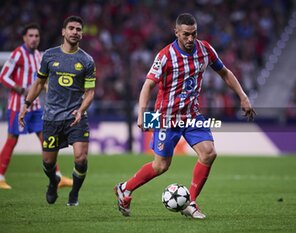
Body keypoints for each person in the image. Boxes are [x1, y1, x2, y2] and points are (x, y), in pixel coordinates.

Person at [114, 13, 255, 219]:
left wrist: (243, 97)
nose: (190, 39)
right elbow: (148, 85)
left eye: (194, 34)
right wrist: (142, 113)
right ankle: (125, 188)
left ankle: (192, 204)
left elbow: (225, 72)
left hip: (191, 115)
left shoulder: (205, 49)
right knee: (161, 166)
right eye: (186, 35)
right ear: (177, 32)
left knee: (209, 153)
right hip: (167, 117)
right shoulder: (165, 56)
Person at [19, 16, 96, 206]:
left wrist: (81, 110)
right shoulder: (50, 56)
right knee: (47, 162)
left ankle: (74, 194)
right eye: (71, 28)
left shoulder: (86, 61)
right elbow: (39, 83)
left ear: (82, 34)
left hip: (75, 117)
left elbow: (90, 93)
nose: (75, 32)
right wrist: (26, 104)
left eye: (78, 29)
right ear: (63, 32)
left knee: (81, 158)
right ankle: (53, 182)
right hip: (52, 117)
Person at [0, 23, 72, 190]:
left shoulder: (39, 56)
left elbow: (41, 80)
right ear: (24, 38)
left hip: (36, 106)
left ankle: (58, 177)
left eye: (36, 36)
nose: (33, 39)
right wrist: (21, 89)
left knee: (47, 140)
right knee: (12, 140)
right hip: (18, 106)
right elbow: (3, 76)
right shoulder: (18, 54)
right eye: (30, 36)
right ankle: (0, 176)